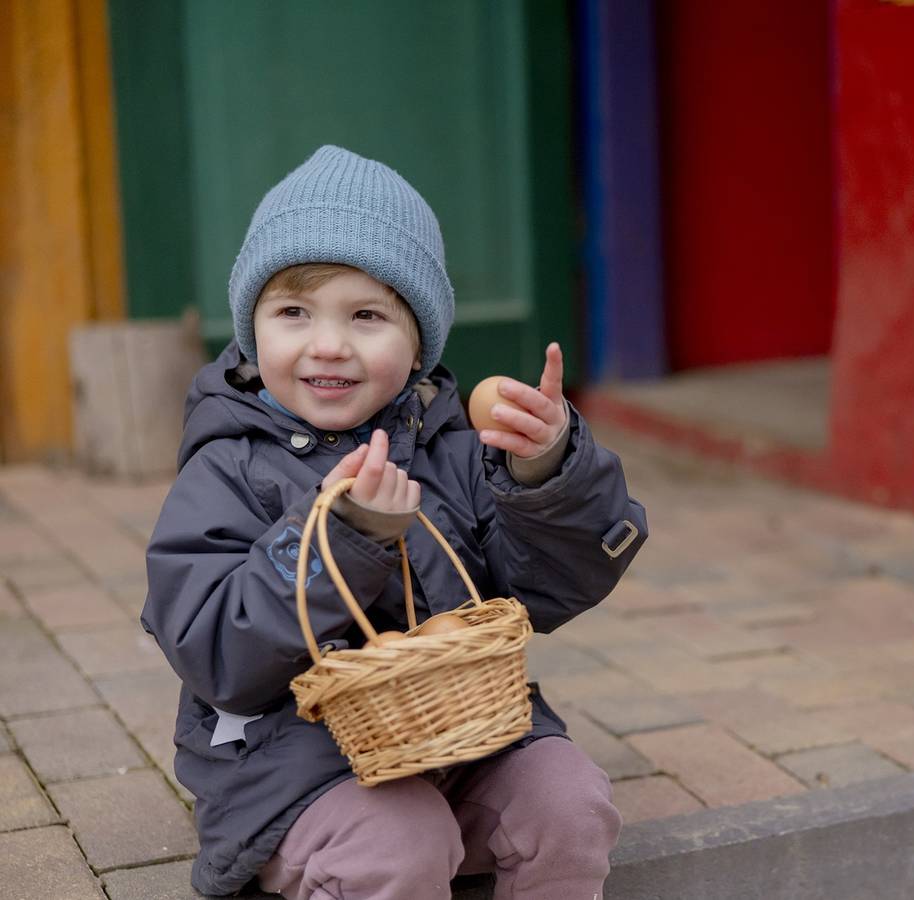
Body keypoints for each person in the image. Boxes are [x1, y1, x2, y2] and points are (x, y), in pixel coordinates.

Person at [141, 145, 647, 899]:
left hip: (461, 740)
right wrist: (346, 539)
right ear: (252, 330)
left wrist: (544, 472)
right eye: (293, 313)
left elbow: (549, 589)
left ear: (419, 348)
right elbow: (214, 650)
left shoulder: (450, 448)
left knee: (568, 803)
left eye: (367, 315)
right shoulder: (228, 468)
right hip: (295, 768)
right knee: (402, 844)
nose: (328, 344)